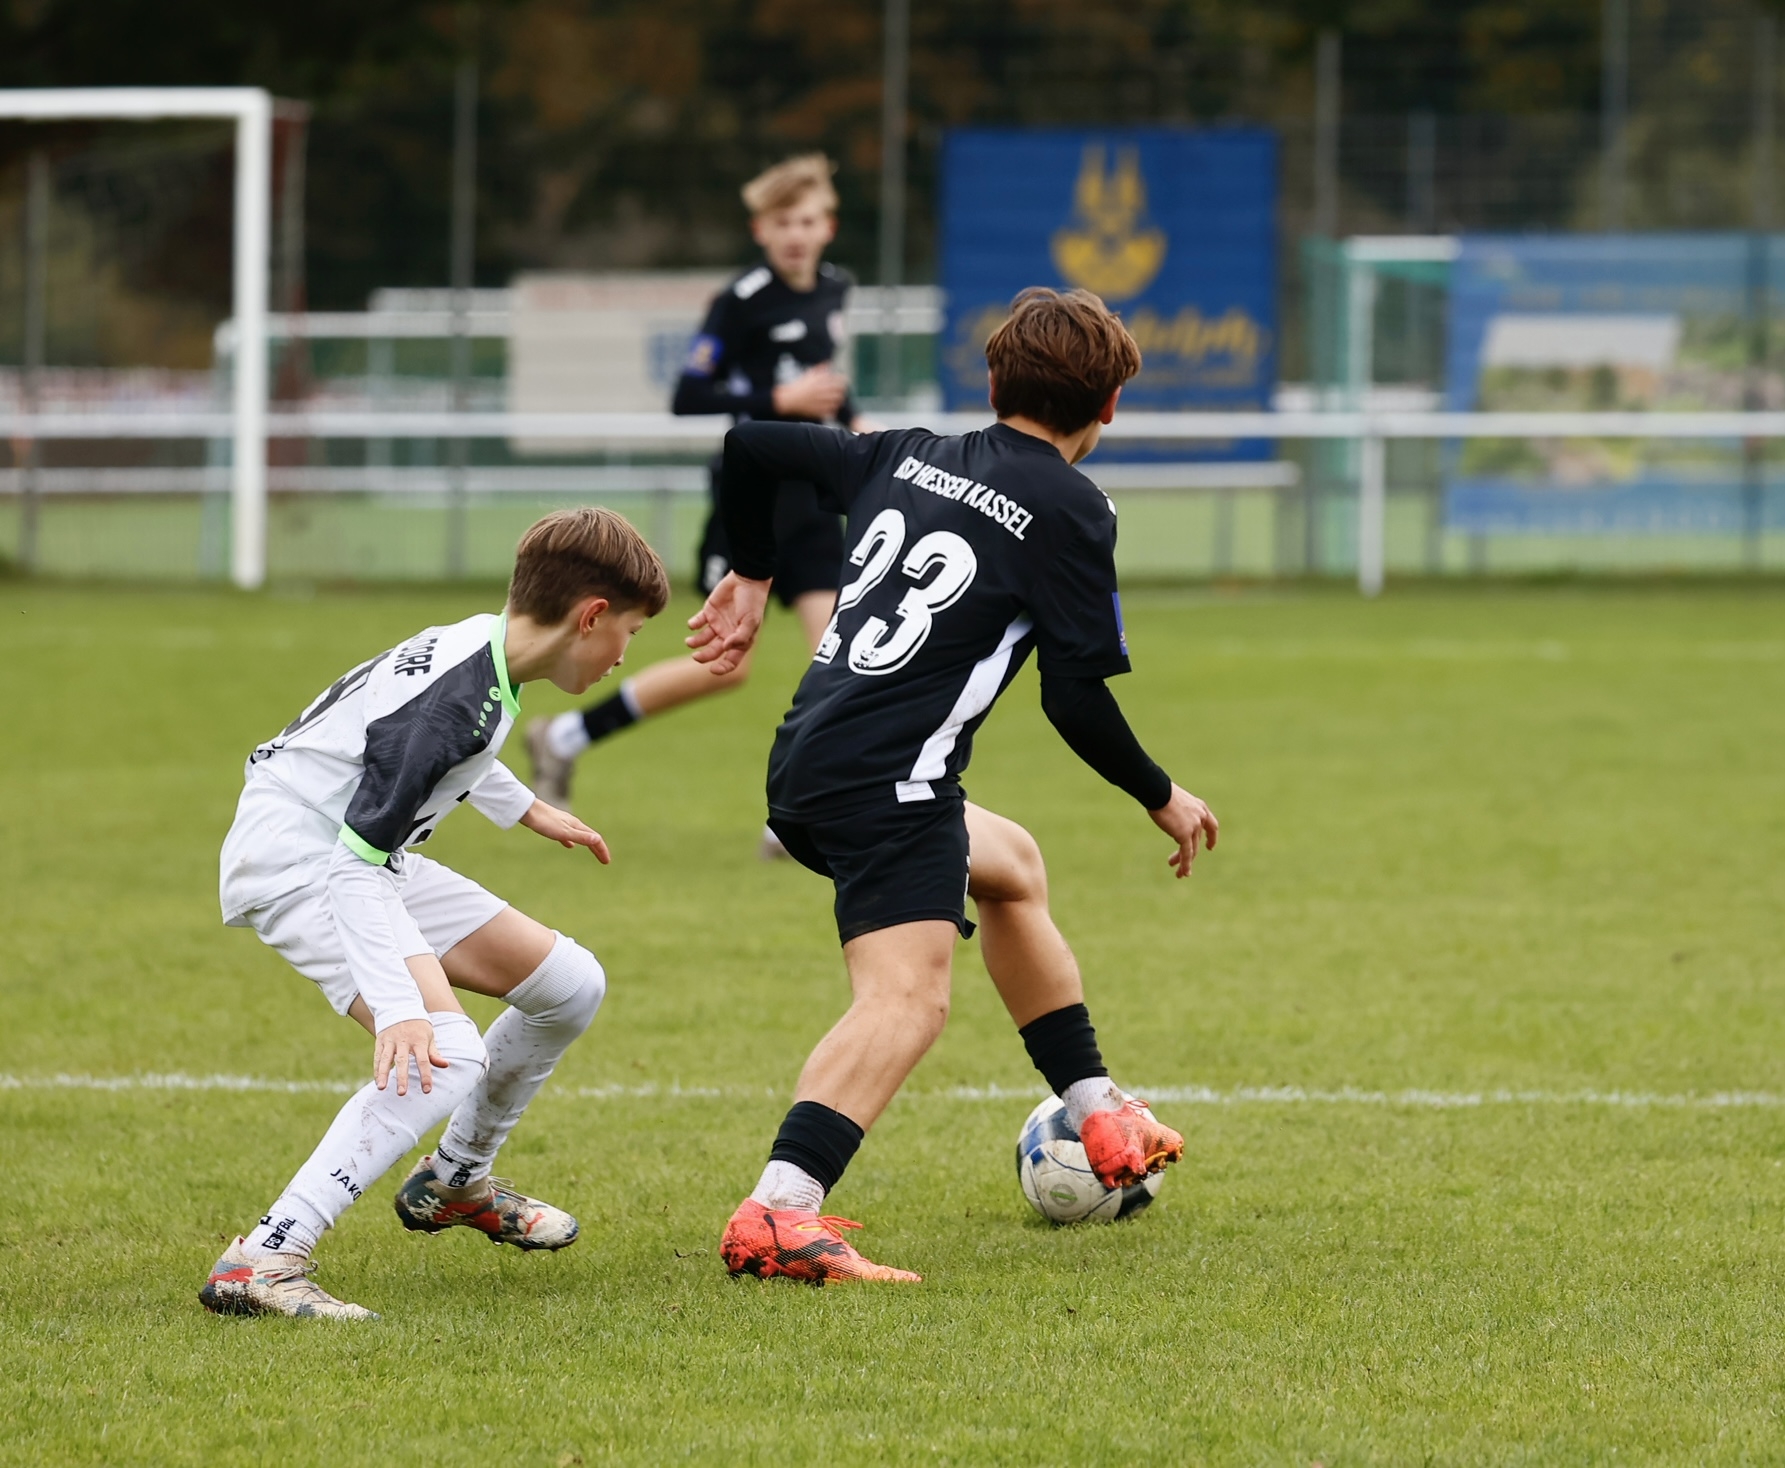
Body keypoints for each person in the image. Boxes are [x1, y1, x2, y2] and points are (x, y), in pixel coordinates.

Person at [686, 287, 1221, 1284]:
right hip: (890, 785)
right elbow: (1074, 697)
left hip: (810, 761)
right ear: (1108, 407)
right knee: (906, 1001)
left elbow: (750, 444)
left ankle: (1099, 1111)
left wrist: (751, 574)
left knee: (1011, 865)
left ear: (992, 381)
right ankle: (779, 1212)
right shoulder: (1073, 508)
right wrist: (1161, 793)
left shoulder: (905, 451)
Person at [201, 508, 670, 1320]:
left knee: (569, 985)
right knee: (443, 1055)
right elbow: (359, 859)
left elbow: (429, 745)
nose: (625, 654)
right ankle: (265, 1258)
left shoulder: (483, 646)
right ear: (590, 616)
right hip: (306, 861)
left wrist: (526, 807)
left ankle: (454, 1181)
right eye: (628, 632)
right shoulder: (456, 702)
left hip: (352, 848)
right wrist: (397, 1010)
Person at [527, 153, 872, 834]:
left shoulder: (834, 288)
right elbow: (689, 394)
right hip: (753, 499)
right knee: (724, 666)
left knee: (834, 657)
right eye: (782, 222)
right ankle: (565, 736)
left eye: (807, 221)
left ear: (828, 227)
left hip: (814, 498)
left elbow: (822, 379)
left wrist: (859, 426)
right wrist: (778, 400)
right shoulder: (740, 301)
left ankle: (798, 814)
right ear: (760, 229)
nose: (796, 234)